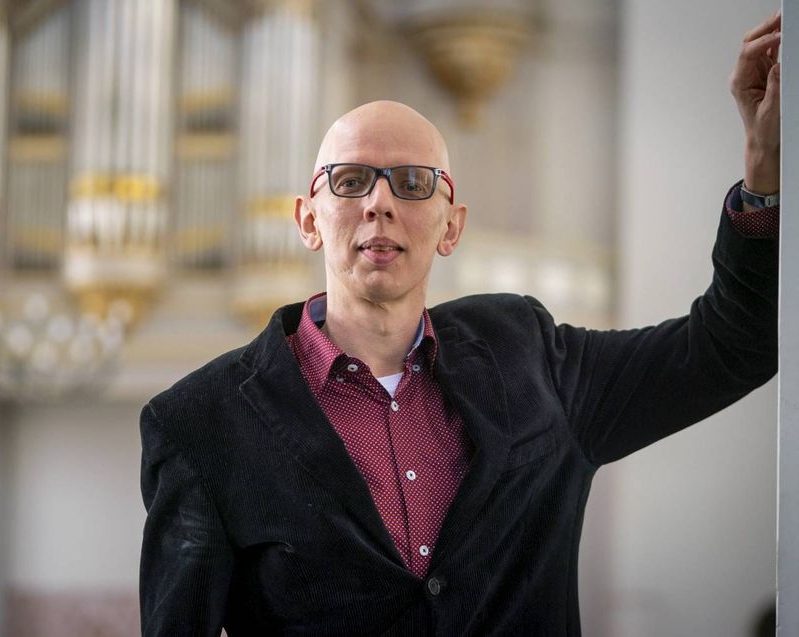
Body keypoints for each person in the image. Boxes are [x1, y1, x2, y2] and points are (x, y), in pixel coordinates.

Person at [139, 12, 781, 636]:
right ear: (308, 219)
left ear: (452, 226)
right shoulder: (201, 423)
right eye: (352, 179)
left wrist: (765, 167)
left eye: (414, 183)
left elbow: (733, 345)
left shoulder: (531, 354)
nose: (380, 203)